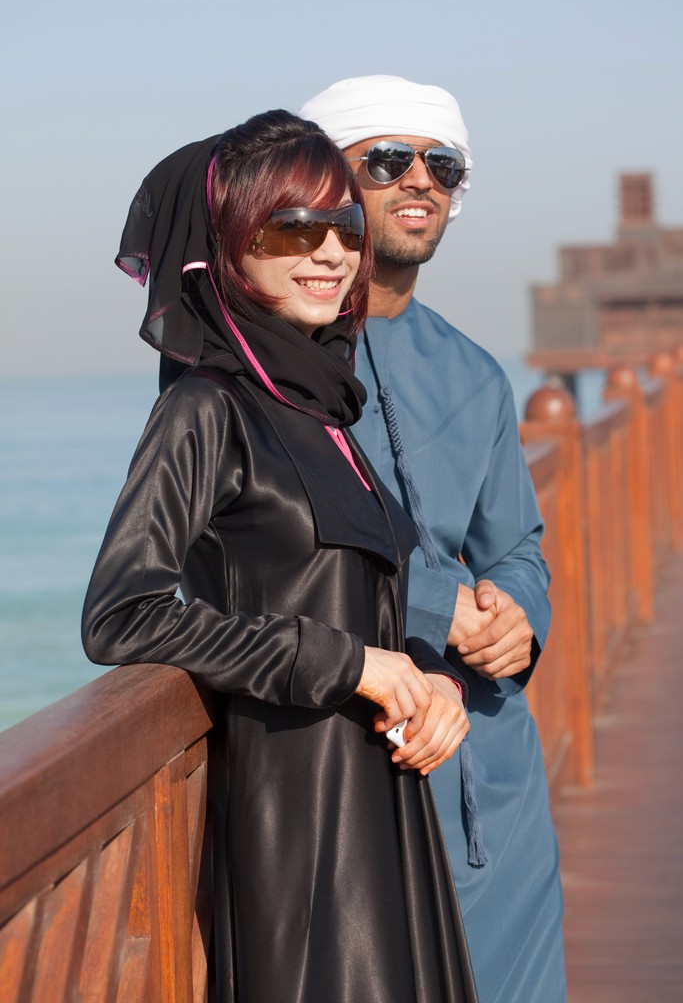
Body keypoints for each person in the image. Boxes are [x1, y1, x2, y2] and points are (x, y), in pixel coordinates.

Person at [82, 110, 480, 1003]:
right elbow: (121, 616)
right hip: (299, 824)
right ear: (228, 247)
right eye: (293, 229)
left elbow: (362, 599)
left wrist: (432, 680)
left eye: (343, 227)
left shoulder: (319, 404)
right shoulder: (205, 406)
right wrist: (347, 664)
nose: (331, 253)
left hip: (383, 801)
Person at [300, 76, 567, 1003]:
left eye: (442, 165)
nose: (419, 179)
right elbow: (245, 551)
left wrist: (514, 618)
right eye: (385, 159)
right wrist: (431, 604)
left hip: (494, 774)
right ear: (323, 182)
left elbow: (517, 546)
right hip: (347, 765)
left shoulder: (474, 372)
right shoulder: (264, 368)